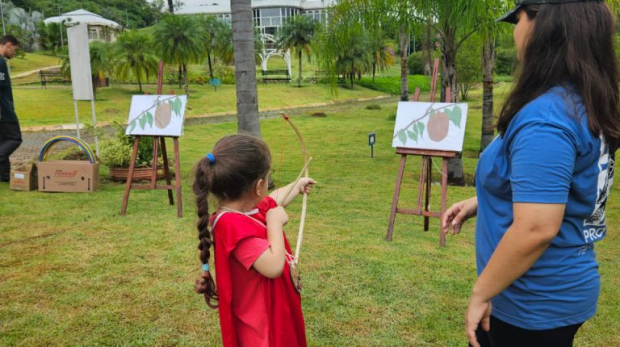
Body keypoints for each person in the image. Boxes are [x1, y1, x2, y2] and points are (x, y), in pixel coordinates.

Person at [441, 1, 620, 346]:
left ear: (543, 25)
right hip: (559, 289)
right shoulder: (579, 102)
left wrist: (481, 292)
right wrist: (485, 199)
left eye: (518, 19)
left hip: (533, 301)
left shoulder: (546, 119)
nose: (514, 32)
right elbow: (559, 188)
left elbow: (537, 227)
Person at [193, 133, 316, 347]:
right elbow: (272, 266)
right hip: (262, 328)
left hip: (273, 312)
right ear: (258, 186)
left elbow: (273, 199)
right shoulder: (231, 225)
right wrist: (275, 223)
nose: (269, 185)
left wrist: (296, 185)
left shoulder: (245, 208)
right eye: (268, 177)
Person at [0, 34, 20, 182]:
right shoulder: (0, 62)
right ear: (8, 45)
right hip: (3, 110)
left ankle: (4, 175)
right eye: (15, 49)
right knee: (15, 138)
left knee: (2, 141)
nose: (15, 53)